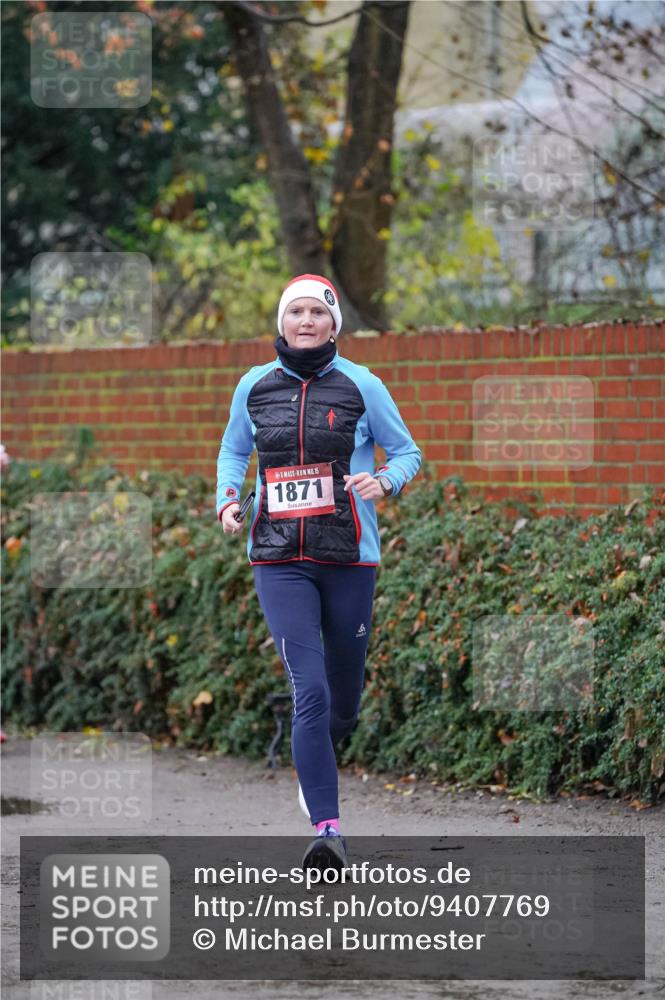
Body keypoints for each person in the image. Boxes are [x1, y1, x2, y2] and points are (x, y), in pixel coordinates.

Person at [216, 274, 422, 873]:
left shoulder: (363, 384)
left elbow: (406, 451)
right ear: (281, 322)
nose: (305, 321)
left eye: (316, 312)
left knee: (343, 703)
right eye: (295, 312)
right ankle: (328, 831)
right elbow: (234, 450)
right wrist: (229, 499)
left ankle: (317, 757)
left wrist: (383, 480)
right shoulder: (253, 386)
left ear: (334, 323)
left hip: (349, 558)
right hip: (278, 559)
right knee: (310, 689)